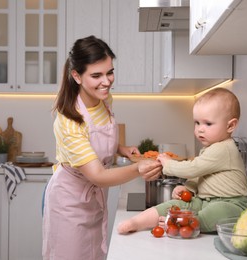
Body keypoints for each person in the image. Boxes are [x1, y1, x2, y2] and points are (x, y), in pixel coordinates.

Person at [42, 35, 162, 260]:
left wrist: (121, 148)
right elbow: (97, 175)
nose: (106, 81)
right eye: (96, 75)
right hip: (70, 203)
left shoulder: (104, 100)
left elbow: (98, 137)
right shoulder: (69, 121)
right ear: (76, 76)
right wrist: (138, 169)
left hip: (95, 200)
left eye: (110, 72)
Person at [117, 88, 247, 235]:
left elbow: (194, 168)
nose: (200, 129)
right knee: (173, 205)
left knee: (214, 213)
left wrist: (168, 164)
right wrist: (189, 188)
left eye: (208, 124)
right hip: (204, 201)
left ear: (230, 125)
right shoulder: (210, 148)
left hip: (231, 204)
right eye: (197, 123)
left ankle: (178, 224)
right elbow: (200, 174)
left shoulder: (224, 149)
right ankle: (136, 222)